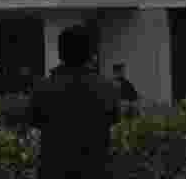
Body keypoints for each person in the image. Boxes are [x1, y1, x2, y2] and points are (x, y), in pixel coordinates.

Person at [27, 25, 121, 179]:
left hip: (53, 170)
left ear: (60, 53)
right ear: (90, 54)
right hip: (95, 170)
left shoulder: (42, 88)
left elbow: (35, 127)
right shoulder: (108, 88)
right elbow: (113, 123)